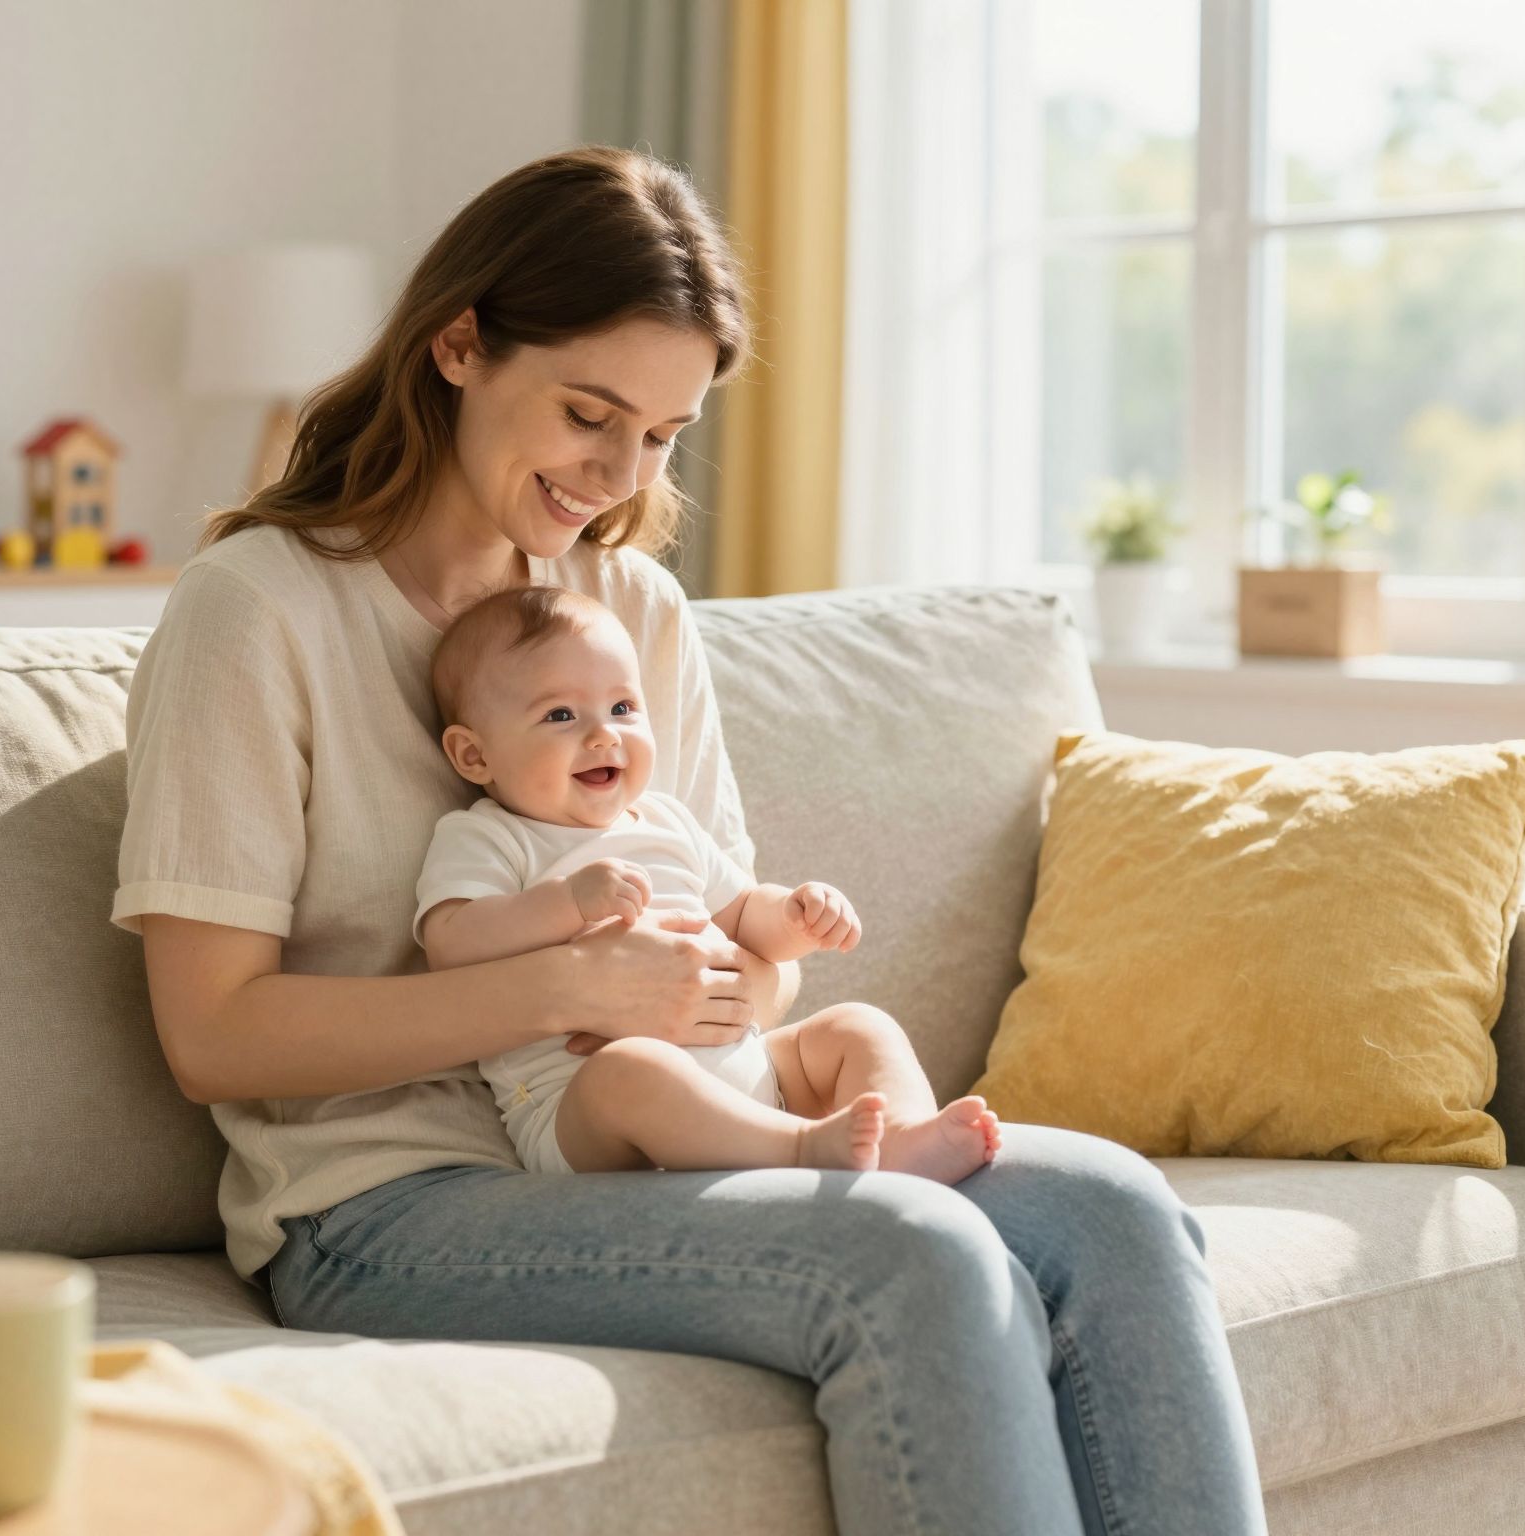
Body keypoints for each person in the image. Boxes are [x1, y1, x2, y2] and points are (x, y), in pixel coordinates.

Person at [111, 144, 1267, 1536]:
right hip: (386, 1205)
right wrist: (560, 990)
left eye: (660, 436)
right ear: (460, 345)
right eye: (590, 413)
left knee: (1119, 1216)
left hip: (673, 1136)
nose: (616, 472)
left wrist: (730, 976)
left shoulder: (632, 614)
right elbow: (214, 1035)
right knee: (907, 1257)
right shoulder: (257, 613)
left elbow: (748, 963)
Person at [415, 582, 1004, 1181]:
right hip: (582, 1111)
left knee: (857, 1026)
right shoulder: (490, 836)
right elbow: (451, 943)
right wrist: (565, 904)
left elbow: (745, 914)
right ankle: (800, 1149)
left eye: (622, 708)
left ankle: (902, 1141)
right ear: (473, 757)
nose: (604, 735)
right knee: (632, 1071)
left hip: (750, 1074)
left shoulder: (668, 820)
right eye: (560, 715)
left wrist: (796, 915)